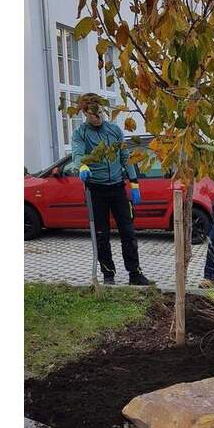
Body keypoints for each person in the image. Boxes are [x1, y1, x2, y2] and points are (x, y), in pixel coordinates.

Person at [71, 94, 152, 286]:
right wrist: (81, 166)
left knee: (128, 231)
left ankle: (135, 273)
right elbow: (77, 153)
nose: (97, 117)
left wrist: (134, 183)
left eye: (99, 112)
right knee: (101, 234)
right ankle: (108, 274)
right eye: (92, 114)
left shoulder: (114, 131)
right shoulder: (80, 133)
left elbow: (125, 157)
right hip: (96, 190)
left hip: (117, 189)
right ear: (85, 113)